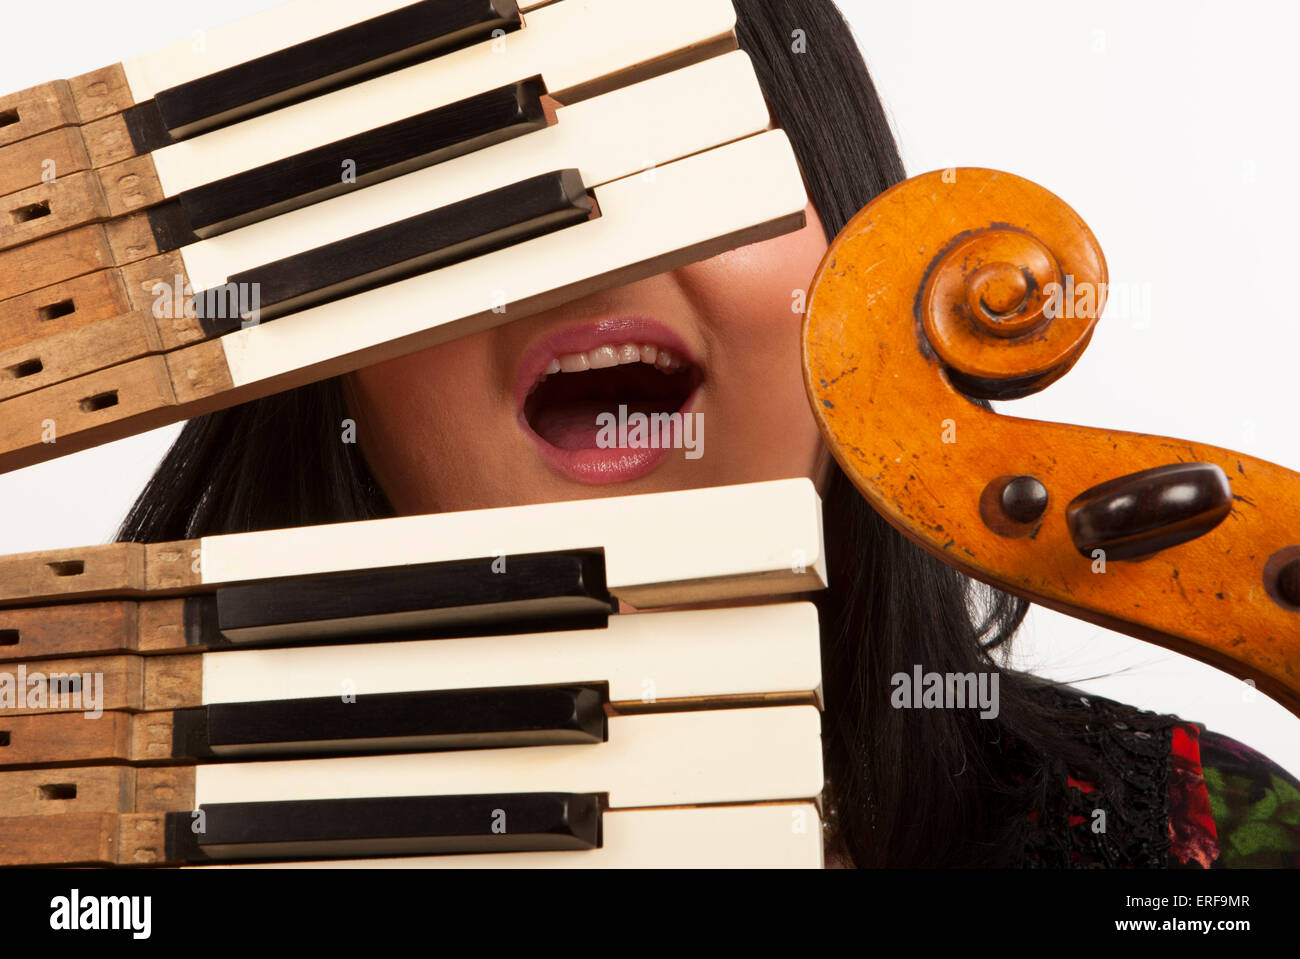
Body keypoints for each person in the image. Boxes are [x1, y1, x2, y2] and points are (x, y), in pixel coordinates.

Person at [118, 0, 1299, 868]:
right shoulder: (98, 839)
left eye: (689, 147)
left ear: (863, 279)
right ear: (321, 352)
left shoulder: (1189, 850)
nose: (580, 226)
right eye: (460, 168)